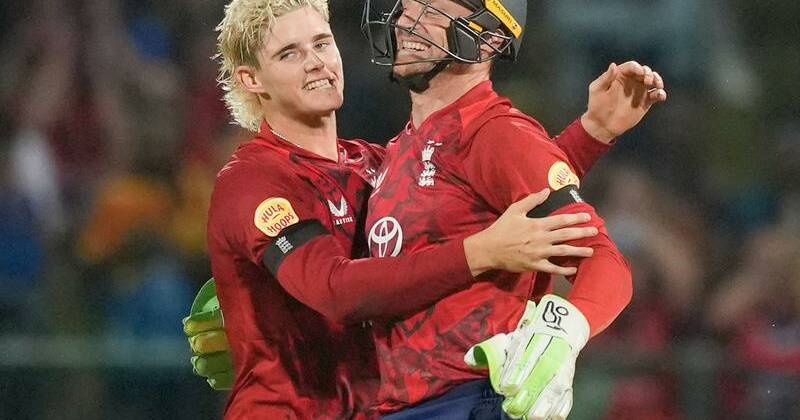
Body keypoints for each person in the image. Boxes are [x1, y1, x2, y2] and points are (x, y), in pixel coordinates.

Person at [184, 0, 666, 418]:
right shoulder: (253, 181)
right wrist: (479, 251)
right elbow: (336, 288)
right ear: (251, 79)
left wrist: (588, 136)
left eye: (322, 43)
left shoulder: (377, 163)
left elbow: (475, 189)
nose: (316, 63)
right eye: (290, 53)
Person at [359, 0, 665, 418]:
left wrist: (563, 332)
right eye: (405, 8)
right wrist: (590, 135)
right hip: (408, 404)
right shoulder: (402, 147)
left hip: (468, 399)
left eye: (431, 10)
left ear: (490, 38)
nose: (407, 23)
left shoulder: (496, 132)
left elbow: (605, 263)